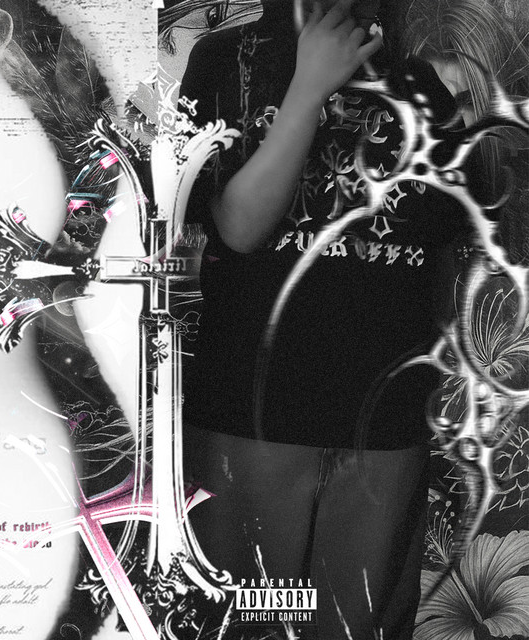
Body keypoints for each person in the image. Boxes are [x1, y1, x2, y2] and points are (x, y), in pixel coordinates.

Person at [178, 1, 469, 637]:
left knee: (351, 629)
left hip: (383, 424)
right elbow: (239, 228)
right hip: (255, 413)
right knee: (246, 622)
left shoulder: (429, 70)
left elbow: (452, 243)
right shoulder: (227, 59)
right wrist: (309, 86)